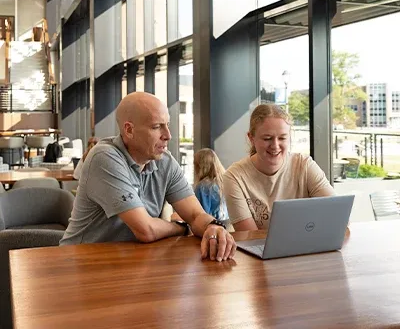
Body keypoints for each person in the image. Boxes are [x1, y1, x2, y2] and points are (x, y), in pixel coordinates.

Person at [60, 92, 236, 262]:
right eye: (156, 126)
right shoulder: (104, 157)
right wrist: (182, 227)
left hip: (131, 261)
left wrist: (213, 226)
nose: (168, 135)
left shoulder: (165, 161)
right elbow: (146, 230)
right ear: (129, 130)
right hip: (80, 263)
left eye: (167, 124)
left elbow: (196, 215)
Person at [223, 103, 335, 231]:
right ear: (251, 138)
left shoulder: (304, 165)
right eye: (267, 138)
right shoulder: (234, 177)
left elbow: (337, 215)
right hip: (261, 250)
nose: (275, 145)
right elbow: (250, 237)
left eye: (282, 138)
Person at [193, 148, 229, 223]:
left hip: (212, 227)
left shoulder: (202, 187)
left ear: (199, 166)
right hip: (230, 226)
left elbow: (201, 215)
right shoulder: (227, 181)